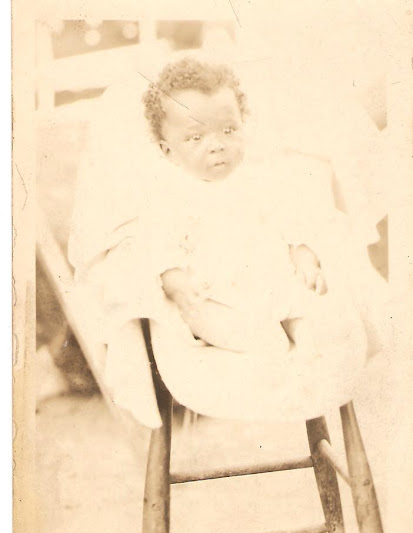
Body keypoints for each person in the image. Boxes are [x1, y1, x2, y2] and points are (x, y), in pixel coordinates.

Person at [68, 51, 385, 426]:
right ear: (168, 150)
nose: (216, 145)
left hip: (269, 281)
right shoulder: (167, 194)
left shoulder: (258, 178)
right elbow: (156, 247)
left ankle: (303, 344)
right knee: (226, 324)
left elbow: (289, 222)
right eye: (196, 137)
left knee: (309, 305)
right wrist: (176, 281)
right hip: (214, 295)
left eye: (228, 130)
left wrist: (302, 255)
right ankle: (269, 350)